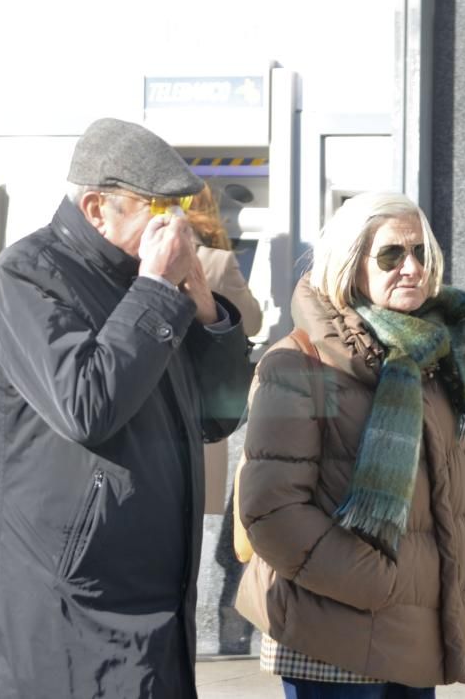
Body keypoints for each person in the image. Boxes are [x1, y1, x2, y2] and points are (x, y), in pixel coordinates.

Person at [0, 117, 253, 699]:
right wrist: (157, 290)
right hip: (57, 607)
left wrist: (205, 308)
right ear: (95, 209)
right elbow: (87, 405)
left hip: (150, 598)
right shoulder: (27, 277)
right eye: (158, 209)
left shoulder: (151, 282)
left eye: (181, 208)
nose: (177, 226)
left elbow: (219, 414)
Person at [234, 191, 465, 697]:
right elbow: (271, 512)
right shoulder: (299, 364)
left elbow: (447, 494)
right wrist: (377, 583)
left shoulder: (432, 360)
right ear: (352, 265)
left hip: (415, 631)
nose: (411, 268)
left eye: (421, 253)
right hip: (330, 638)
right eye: (392, 255)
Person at [186, 182, 263, 655]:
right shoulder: (215, 261)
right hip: (202, 411)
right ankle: (225, 638)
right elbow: (251, 321)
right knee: (196, 529)